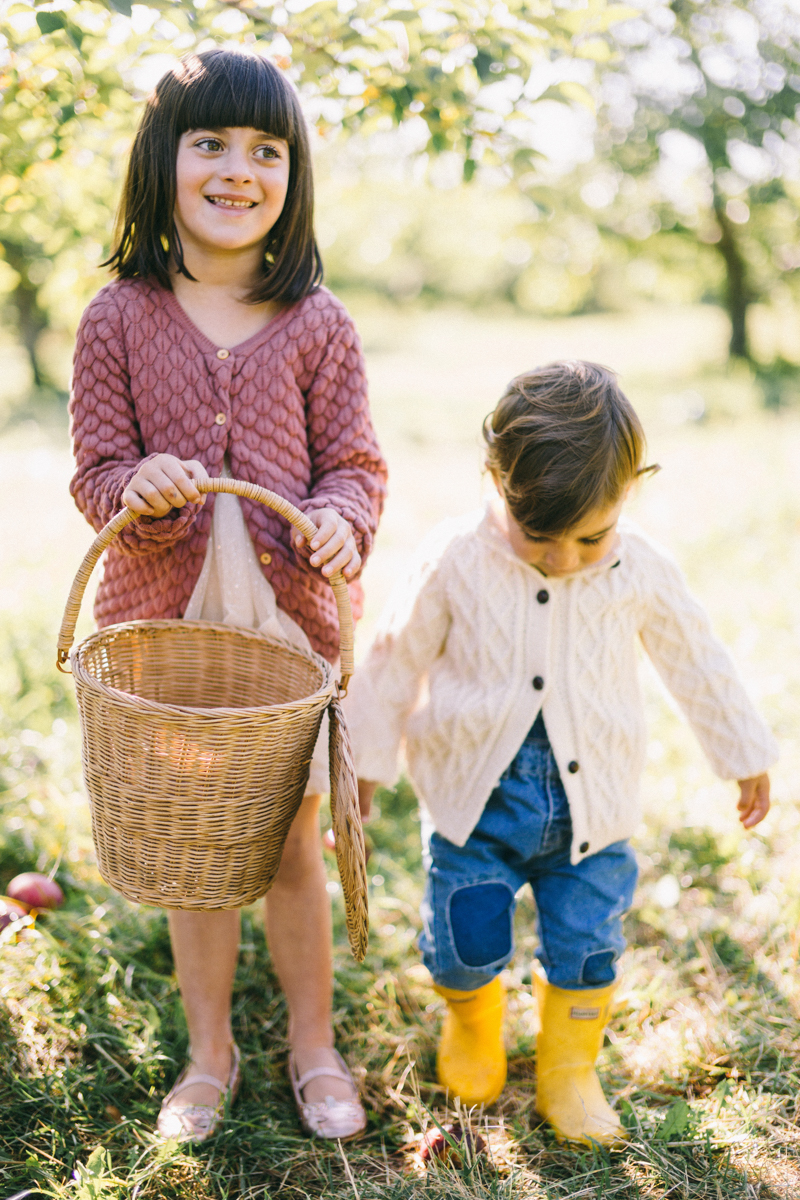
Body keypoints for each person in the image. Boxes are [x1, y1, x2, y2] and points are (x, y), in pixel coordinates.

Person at [69, 48, 387, 1144]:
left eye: (265, 149)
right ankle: (210, 1052)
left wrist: (344, 518)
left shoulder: (316, 322)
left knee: (290, 847)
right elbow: (94, 470)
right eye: (209, 143)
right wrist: (133, 485)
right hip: (167, 629)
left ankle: (313, 1042)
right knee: (199, 847)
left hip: (284, 628)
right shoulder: (118, 315)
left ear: (292, 175)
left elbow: (354, 465)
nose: (237, 170)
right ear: (162, 162)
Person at [347, 361, 776, 1147]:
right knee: (465, 940)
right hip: (473, 807)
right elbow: (390, 660)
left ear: (629, 495)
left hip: (594, 811)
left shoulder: (640, 567)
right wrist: (362, 768)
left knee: (588, 947)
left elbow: (696, 657)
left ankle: (568, 1070)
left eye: (590, 536)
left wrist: (743, 751)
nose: (565, 559)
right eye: (539, 537)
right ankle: (472, 1025)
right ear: (495, 483)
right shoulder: (454, 560)